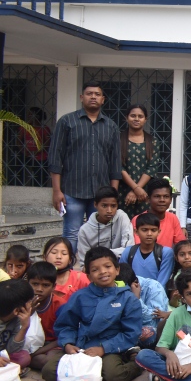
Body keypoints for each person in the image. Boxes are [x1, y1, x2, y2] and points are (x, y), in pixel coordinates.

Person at [42, 247, 143, 381]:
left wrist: (103, 349)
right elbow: (66, 324)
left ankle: (136, 363)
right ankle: (95, 372)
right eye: (95, 270)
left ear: (117, 270)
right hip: (81, 347)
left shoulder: (128, 299)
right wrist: (68, 344)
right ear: (88, 276)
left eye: (107, 266)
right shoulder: (80, 296)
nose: (103, 272)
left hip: (111, 348)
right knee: (49, 372)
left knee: (115, 376)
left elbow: (131, 333)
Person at [49, 81, 122, 253]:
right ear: (82, 97)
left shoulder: (111, 126)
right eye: (89, 94)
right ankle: (70, 265)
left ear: (103, 99)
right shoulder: (67, 122)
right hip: (72, 190)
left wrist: (113, 194)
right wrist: (56, 191)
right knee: (72, 233)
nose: (93, 97)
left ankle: (94, 266)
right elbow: (55, 157)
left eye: (97, 94)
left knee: (100, 234)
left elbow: (115, 162)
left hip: (101, 192)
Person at [117, 105, 158, 218]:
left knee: (144, 224)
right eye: (133, 116)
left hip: (145, 193)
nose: (136, 119)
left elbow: (152, 167)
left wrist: (138, 189)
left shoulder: (152, 141)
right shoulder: (118, 140)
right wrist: (135, 188)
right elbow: (118, 166)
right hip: (123, 192)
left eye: (140, 116)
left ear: (145, 119)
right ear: (126, 118)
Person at [77, 186, 135, 264]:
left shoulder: (122, 217)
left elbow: (128, 249)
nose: (109, 211)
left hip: (120, 264)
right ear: (95, 204)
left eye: (113, 206)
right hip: (97, 266)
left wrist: (99, 255)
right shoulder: (84, 230)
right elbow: (84, 262)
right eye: (104, 206)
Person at [28, 262, 66, 371]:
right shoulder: (23, 302)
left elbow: (62, 338)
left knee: (45, 361)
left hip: (53, 345)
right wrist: (29, 312)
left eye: (45, 285)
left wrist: (35, 353)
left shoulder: (60, 305)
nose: (39, 289)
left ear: (54, 286)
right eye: (35, 284)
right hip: (29, 343)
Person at [121, 212, 175, 287]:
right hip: (131, 293)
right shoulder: (128, 252)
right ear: (136, 232)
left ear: (159, 232)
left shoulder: (165, 253)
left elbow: (161, 283)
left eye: (153, 230)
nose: (149, 234)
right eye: (144, 230)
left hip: (157, 293)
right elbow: (122, 278)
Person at [133, 178, 186, 248]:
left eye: (166, 196)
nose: (162, 200)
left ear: (170, 200)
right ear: (148, 199)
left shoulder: (173, 218)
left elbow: (181, 246)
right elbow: (139, 248)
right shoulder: (138, 219)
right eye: (157, 196)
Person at [0, 280, 34, 371]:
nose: (31, 304)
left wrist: (24, 327)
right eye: (29, 302)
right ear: (16, 310)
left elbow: (11, 349)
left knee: (23, 357)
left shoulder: (16, 318)